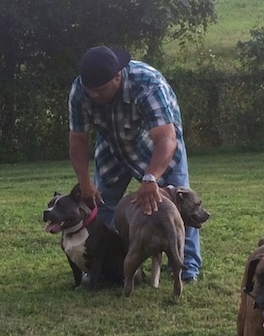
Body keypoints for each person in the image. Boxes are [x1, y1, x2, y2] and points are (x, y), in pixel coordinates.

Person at [68, 45, 202, 283]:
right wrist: (85, 184)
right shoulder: (80, 90)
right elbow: (78, 140)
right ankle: (110, 265)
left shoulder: (148, 83)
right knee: (102, 205)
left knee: (178, 206)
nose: (93, 95)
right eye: (89, 90)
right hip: (112, 145)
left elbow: (166, 139)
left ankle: (185, 268)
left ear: (117, 76)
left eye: (99, 90)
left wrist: (150, 178)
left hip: (158, 146)